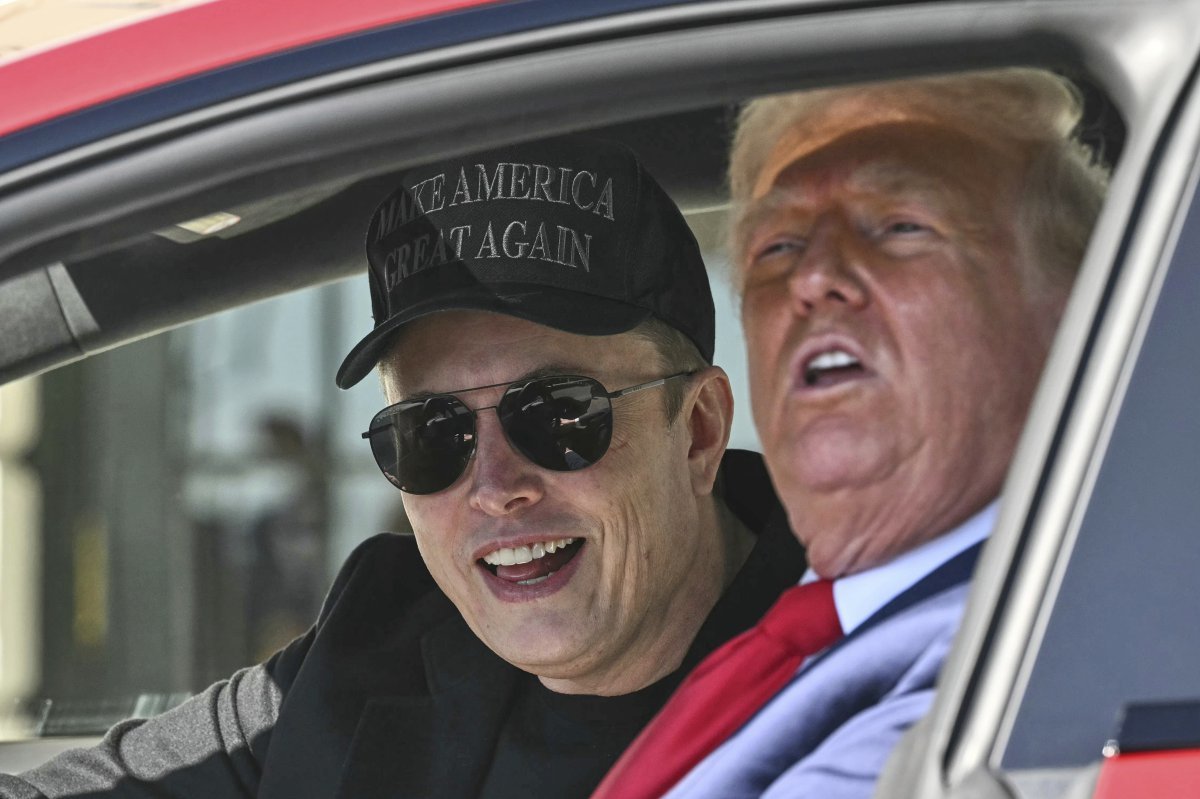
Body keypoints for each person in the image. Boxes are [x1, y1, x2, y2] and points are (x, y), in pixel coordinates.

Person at [0, 137, 805, 798]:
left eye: (558, 414)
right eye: (431, 434)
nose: (495, 487)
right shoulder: (379, 640)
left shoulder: (856, 680)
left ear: (698, 431)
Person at [592, 68, 1110, 798]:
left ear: (1076, 314)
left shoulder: (1032, 674)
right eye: (777, 247)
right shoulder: (824, 643)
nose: (813, 277)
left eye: (900, 226)